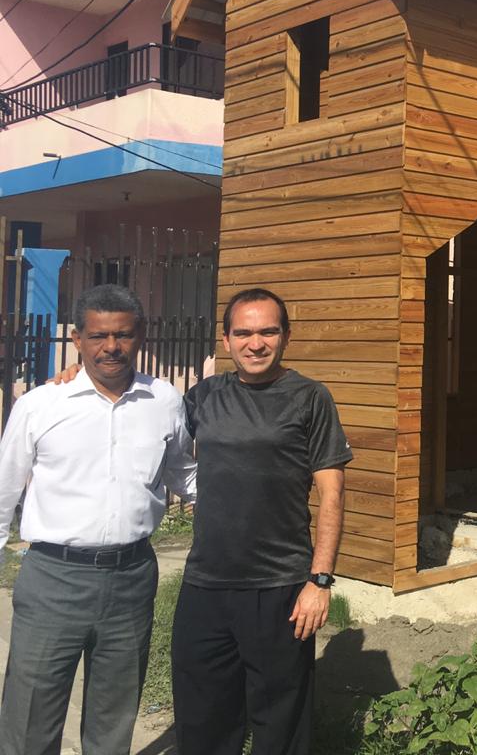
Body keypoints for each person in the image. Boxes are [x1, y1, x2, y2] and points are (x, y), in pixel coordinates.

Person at [0, 284, 197, 755]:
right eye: (98, 336)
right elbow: (4, 489)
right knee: (30, 716)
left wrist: (244, 507)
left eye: (123, 335)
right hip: (53, 578)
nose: (111, 346)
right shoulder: (40, 405)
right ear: (77, 339)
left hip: (132, 577)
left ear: (140, 335)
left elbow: (185, 475)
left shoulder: (164, 401)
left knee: (115, 715)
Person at [171, 287, 351, 755]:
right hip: (205, 586)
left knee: (281, 727)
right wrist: (78, 375)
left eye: (268, 331)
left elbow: (332, 493)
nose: (256, 343)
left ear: (286, 336)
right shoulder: (203, 397)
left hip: (280, 589)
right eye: (243, 333)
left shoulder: (310, 398)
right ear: (226, 340)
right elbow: (146, 424)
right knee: (203, 722)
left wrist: (320, 581)